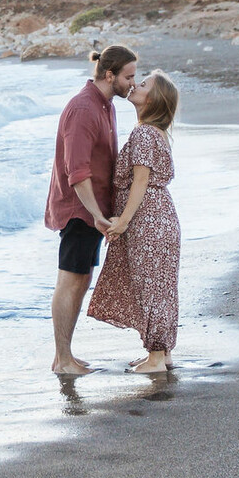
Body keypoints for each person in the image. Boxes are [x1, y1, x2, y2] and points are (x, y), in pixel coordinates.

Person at [45, 45, 139, 374]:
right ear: (109, 75)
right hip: (79, 210)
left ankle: (65, 355)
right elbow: (77, 172)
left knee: (81, 279)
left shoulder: (107, 105)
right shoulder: (83, 108)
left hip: (94, 210)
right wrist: (97, 215)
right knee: (70, 281)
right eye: (128, 77)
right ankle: (62, 359)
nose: (133, 83)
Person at [87, 70, 182, 373]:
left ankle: (156, 357)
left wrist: (124, 222)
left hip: (149, 221)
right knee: (160, 286)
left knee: (150, 287)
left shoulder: (143, 134)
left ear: (152, 98)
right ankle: (161, 351)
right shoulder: (155, 132)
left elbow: (140, 182)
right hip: (162, 218)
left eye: (143, 85)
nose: (135, 86)